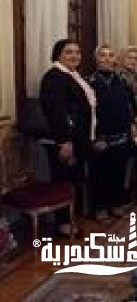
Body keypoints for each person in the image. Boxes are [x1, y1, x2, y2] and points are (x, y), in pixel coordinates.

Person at [39, 39, 95, 236]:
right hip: (64, 141)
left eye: (77, 52)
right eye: (69, 52)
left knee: (72, 180)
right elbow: (57, 112)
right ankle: (63, 224)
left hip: (76, 139)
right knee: (63, 181)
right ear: (58, 55)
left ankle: (69, 219)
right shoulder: (54, 77)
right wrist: (64, 141)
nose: (74, 56)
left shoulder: (72, 75)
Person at [88, 45, 137, 220]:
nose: (107, 59)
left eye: (110, 55)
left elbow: (133, 108)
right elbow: (86, 114)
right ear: (96, 59)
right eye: (103, 55)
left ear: (115, 59)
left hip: (122, 135)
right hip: (100, 137)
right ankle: (100, 207)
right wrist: (94, 138)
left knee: (118, 172)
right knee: (100, 174)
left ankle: (116, 204)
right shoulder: (89, 82)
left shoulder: (122, 81)